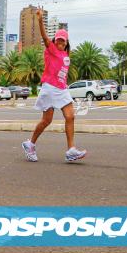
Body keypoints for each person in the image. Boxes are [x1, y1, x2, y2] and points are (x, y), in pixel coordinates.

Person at [22, 9, 86, 163]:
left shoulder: (65, 55)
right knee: (46, 121)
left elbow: (61, 73)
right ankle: (30, 144)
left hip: (62, 89)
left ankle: (71, 150)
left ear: (66, 42)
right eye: (58, 39)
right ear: (55, 40)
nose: (60, 42)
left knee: (70, 116)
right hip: (49, 89)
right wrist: (39, 21)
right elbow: (44, 37)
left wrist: (65, 84)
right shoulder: (51, 50)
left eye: (62, 40)